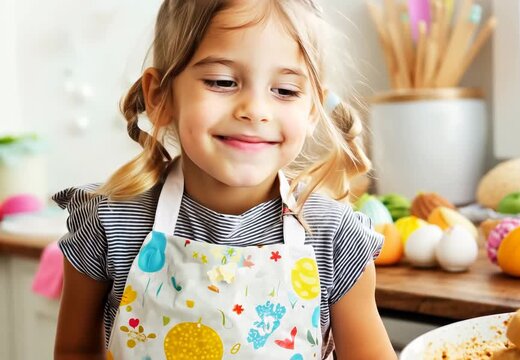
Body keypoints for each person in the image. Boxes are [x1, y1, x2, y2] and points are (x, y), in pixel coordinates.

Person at [53, 0, 397, 359]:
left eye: (285, 90)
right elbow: (73, 352)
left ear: (312, 109)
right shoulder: (109, 223)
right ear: (160, 96)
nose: (255, 110)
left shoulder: (334, 238)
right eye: (222, 82)